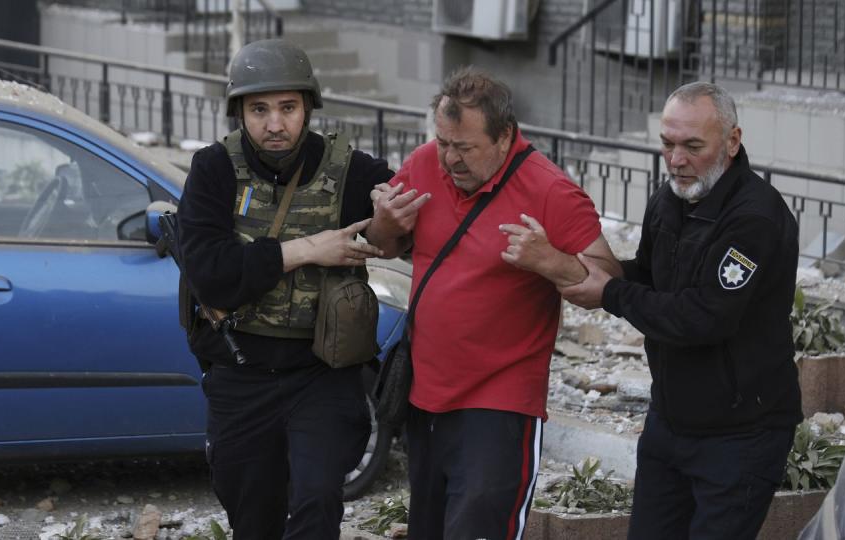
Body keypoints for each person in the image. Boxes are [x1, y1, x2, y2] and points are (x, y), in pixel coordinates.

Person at [366, 66, 621, 539]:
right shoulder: (425, 163)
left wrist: (551, 261)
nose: (450, 160)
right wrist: (383, 222)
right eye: (444, 142)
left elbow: (610, 285)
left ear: (505, 137)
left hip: (501, 402)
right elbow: (383, 245)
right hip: (426, 394)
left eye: (465, 148)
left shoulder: (551, 191)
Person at [555, 81, 803, 539]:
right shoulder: (669, 199)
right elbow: (649, 276)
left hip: (741, 435)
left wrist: (610, 293)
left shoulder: (754, 218)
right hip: (670, 425)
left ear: (732, 141)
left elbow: (703, 317)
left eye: (692, 146)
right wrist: (582, 269)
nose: (675, 160)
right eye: (667, 144)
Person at [176, 38, 394, 539]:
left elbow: (399, 229)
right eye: (259, 109)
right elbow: (212, 274)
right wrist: (309, 248)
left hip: (322, 374)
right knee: (252, 515)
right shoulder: (213, 169)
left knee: (317, 502)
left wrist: (391, 218)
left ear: (308, 107)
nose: (275, 124)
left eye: (288, 108)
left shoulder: (351, 170)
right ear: (240, 112)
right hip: (241, 372)